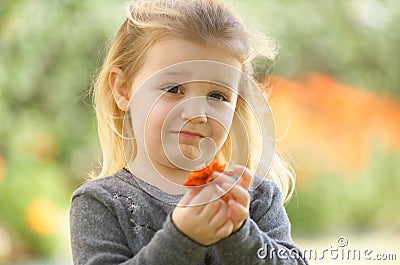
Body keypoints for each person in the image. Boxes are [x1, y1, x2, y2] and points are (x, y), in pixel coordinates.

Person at [69, 0, 308, 264]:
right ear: (124, 90)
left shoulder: (256, 200)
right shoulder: (102, 204)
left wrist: (238, 233)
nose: (197, 113)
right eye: (174, 89)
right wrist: (182, 239)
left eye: (217, 95)